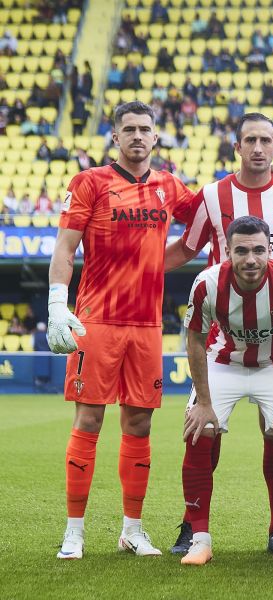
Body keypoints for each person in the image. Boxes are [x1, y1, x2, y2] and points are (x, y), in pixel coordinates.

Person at [163, 112, 273, 554]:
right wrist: (141, 268)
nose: (256, 148)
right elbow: (189, 247)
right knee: (202, 425)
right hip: (225, 333)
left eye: (265, 140)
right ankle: (193, 527)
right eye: (248, 140)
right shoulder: (213, 194)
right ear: (236, 146)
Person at [48, 101, 196, 559]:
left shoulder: (168, 185)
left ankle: (132, 529)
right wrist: (56, 303)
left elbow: (208, 220)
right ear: (115, 136)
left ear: (155, 138)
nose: (137, 136)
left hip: (147, 325)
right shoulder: (90, 182)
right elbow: (66, 248)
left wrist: (272, 185)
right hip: (97, 321)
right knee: (89, 420)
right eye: (128, 128)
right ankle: (75, 530)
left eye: (145, 129)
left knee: (139, 422)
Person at [179, 216, 273, 565]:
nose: (250, 259)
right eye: (241, 251)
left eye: (258, 250)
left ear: (270, 249)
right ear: (228, 251)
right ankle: (200, 540)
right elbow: (194, 341)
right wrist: (204, 402)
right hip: (224, 363)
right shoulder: (206, 283)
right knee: (199, 430)